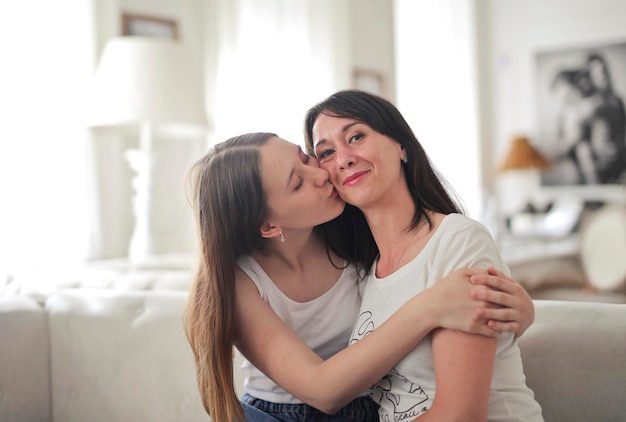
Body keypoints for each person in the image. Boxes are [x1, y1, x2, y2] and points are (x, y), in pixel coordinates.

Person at [185, 133, 535, 422]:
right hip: (279, 415)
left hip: (368, 408)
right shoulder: (240, 282)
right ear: (269, 226)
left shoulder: (353, 232)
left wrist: (520, 311)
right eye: (298, 183)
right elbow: (323, 391)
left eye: (305, 158)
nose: (321, 174)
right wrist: (430, 308)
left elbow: (420, 278)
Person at [304, 89, 544, 421]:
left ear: (401, 145)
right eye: (326, 152)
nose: (343, 158)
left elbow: (459, 415)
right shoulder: (362, 271)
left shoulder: (457, 241)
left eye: (356, 136)